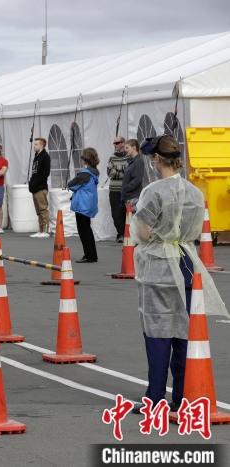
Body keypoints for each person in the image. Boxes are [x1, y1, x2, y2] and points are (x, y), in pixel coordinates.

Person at [129, 135, 228, 413]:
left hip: (159, 263)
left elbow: (144, 230)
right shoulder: (195, 192)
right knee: (184, 331)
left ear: (156, 159)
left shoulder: (154, 191)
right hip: (187, 261)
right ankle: (183, 395)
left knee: (158, 332)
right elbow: (195, 230)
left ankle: (156, 397)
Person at [67, 148, 100, 263]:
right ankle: (91, 255)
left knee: (83, 231)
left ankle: (89, 255)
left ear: (85, 159)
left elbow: (70, 184)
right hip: (89, 204)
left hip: (82, 205)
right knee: (87, 230)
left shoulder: (84, 174)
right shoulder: (95, 172)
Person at [107, 136, 128, 242]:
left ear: (123, 143)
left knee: (125, 212)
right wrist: (122, 170)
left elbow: (128, 173)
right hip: (114, 190)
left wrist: (117, 169)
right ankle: (120, 233)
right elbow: (110, 173)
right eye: (114, 143)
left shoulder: (129, 157)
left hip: (125, 189)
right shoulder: (111, 157)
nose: (115, 145)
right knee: (116, 213)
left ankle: (125, 234)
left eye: (117, 142)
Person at [29, 137, 51, 238]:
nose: (34, 146)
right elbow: (34, 173)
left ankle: (45, 230)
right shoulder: (36, 156)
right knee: (38, 211)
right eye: (34, 144)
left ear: (42, 145)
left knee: (43, 209)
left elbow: (45, 173)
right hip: (34, 188)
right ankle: (41, 230)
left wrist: (36, 184)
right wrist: (31, 184)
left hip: (41, 188)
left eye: (36, 144)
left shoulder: (45, 156)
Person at [121, 138, 144, 209]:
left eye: (127, 148)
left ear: (134, 148)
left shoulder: (138, 161)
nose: (125, 150)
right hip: (130, 197)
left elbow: (137, 180)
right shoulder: (132, 161)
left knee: (132, 219)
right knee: (129, 219)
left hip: (133, 197)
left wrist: (125, 188)